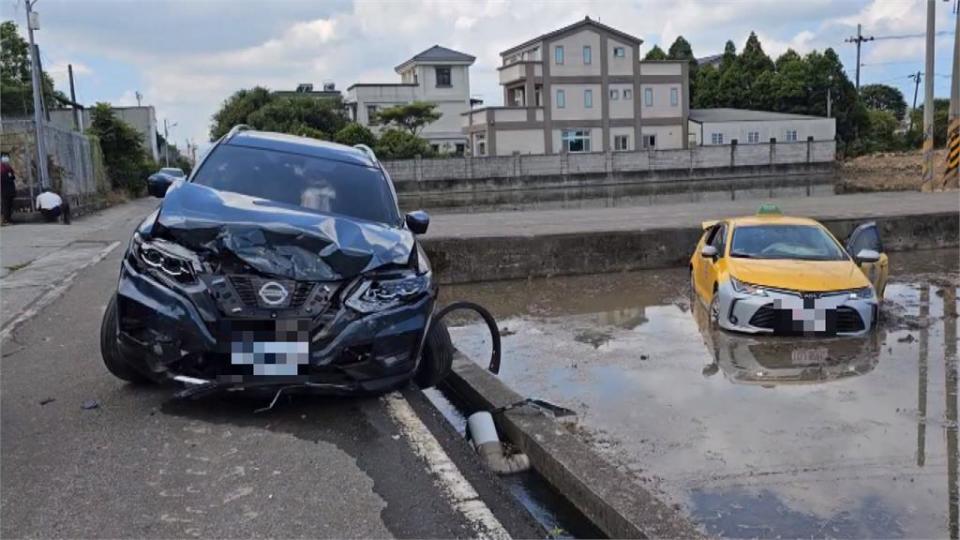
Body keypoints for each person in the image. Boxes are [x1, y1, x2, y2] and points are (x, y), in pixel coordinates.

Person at [1, 154, 16, 224]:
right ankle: (6, 219)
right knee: (6, 205)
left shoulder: (9, 168)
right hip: (5, 190)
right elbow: (10, 178)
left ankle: (8, 218)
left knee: (9, 205)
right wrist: (10, 177)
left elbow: (13, 177)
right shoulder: (2, 169)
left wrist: (11, 176)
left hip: (10, 190)